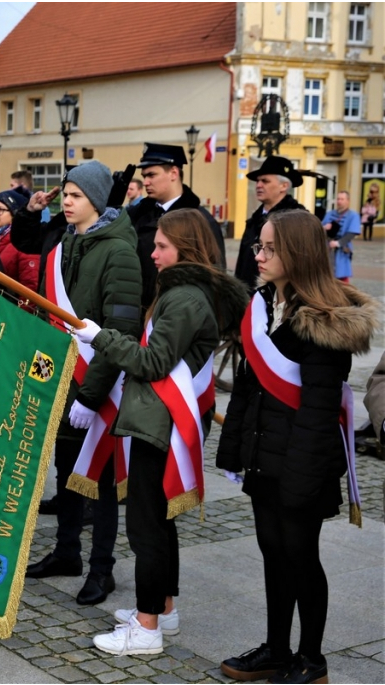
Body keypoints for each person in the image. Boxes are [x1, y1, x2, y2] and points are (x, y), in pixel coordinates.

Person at [73, 209, 248, 656]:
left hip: (161, 421)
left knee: (147, 525)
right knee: (159, 521)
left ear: (185, 249)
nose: (152, 254)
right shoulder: (184, 291)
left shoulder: (185, 297)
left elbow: (153, 363)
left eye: (162, 246)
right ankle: (162, 609)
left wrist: (101, 339)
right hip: (158, 417)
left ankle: (147, 627)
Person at [216, 210, 377, 684]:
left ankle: (311, 659)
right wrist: (233, 452)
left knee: (301, 555)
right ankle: (276, 648)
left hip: (301, 462)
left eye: (269, 249)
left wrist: (302, 481)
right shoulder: (264, 305)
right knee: (272, 552)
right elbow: (247, 386)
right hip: (263, 455)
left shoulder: (325, 322)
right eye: (258, 247)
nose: (259, 257)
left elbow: (318, 411)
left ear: (298, 254)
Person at [23, 160, 143, 608]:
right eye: (65, 195)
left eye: (73, 196)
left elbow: (122, 330)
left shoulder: (120, 253)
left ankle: (101, 569)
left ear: (95, 200)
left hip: (101, 389)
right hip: (61, 383)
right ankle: (67, 552)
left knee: (102, 483)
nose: (65, 202)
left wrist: (92, 395)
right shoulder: (62, 244)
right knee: (68, 474)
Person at [127, 143, 226, 309]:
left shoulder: (200, 220)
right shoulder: (138, 215)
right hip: (140, 312)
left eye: (151, 175)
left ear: (174, 173)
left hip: (180, 312)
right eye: (144, 176)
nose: (145, 182)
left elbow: (215, 275)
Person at [233, 156, 305, 293]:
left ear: (283, 186)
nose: (259, 185)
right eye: (258, 181)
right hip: (248, 297)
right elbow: (243, 263)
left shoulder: (297, 219)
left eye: (265, 181)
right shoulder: (255, 219)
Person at [0, 189, 40, 296]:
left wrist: (18, 312)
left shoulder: (23, 242)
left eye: (0, 210)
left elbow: (30, 286)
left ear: (14, 214)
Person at [321, 190, 361, 282]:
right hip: (327, 247)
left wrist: (338, 243)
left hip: (341, 248)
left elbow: (352, 233)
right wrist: (324, 227)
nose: (339, 201)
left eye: (342, 199)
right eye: (338, 199)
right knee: (326, 274)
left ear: (348, 201)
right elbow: (320, 227)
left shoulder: (353, 215)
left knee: (341, 275)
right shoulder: (330, 213)